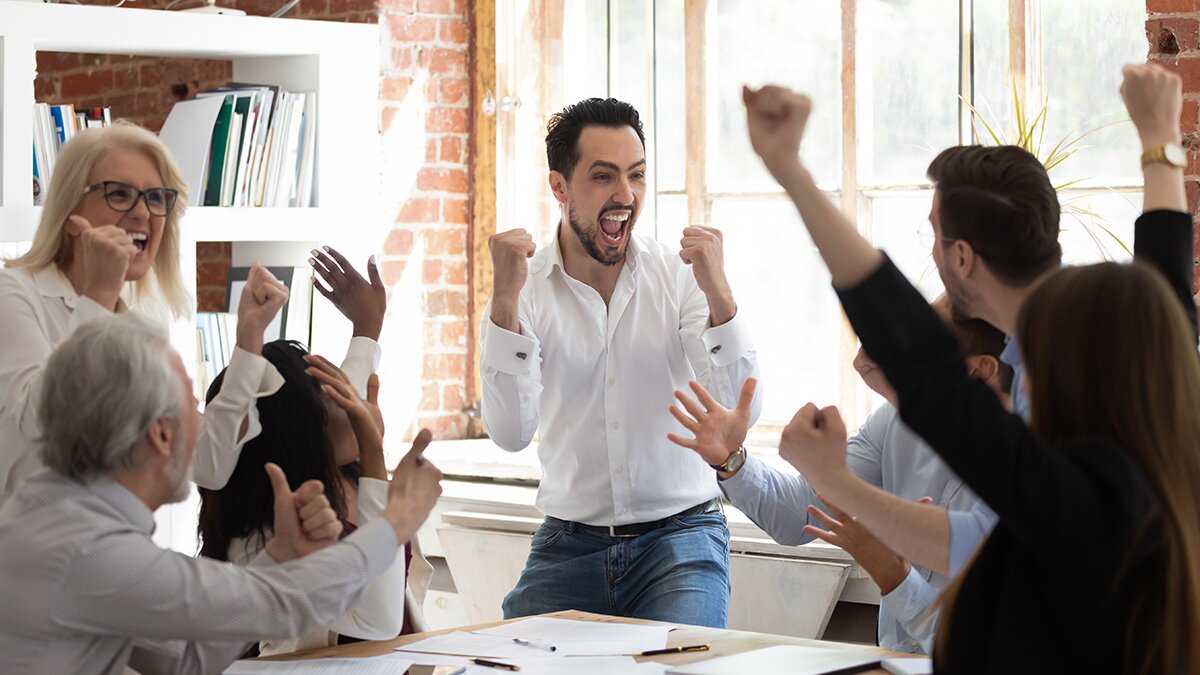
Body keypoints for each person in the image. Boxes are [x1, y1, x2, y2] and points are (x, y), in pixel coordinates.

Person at [741, 62, 1198, 672]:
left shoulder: (1068, 489)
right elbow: (1168, 282)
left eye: (933, 233)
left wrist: (790, 170)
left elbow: (927, 373)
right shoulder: (1153, 433)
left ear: (962, 256)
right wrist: (1157, 143)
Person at [0, 312, 443, 674]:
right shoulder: (92, 552)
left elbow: (184, 658)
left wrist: (279, 558)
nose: (214, 425)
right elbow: (282, 604)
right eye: (194, 405)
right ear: (160, 434)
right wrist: (396, 520)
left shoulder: (53, 517)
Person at [480, 98, 761, 627]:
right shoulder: (523, 290)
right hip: (568, 546)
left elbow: (736, 413)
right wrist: (503, 302)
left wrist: (721, 292)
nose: (625, 196)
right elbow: (512, 433)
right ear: (559, 187)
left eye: (636, 176)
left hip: (681, 540)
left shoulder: (681, 276)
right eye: (603, 176)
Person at [668, 298, 1011, 653]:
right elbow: (799, 516)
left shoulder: (1036, 475)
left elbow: (977, 646)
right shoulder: (895, 422)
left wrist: (895, 577)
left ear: (979, 370)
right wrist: (730, 458)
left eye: (928, 337)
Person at [0, 121, 292, 501]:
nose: (142, 213)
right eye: (119, 193)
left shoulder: (143, 324)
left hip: (111, 547)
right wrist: (100, 296)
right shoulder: (13, 293)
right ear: (70, 213)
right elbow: (37, 431)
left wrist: (249, 339)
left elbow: (208, 462)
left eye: (156, 198)